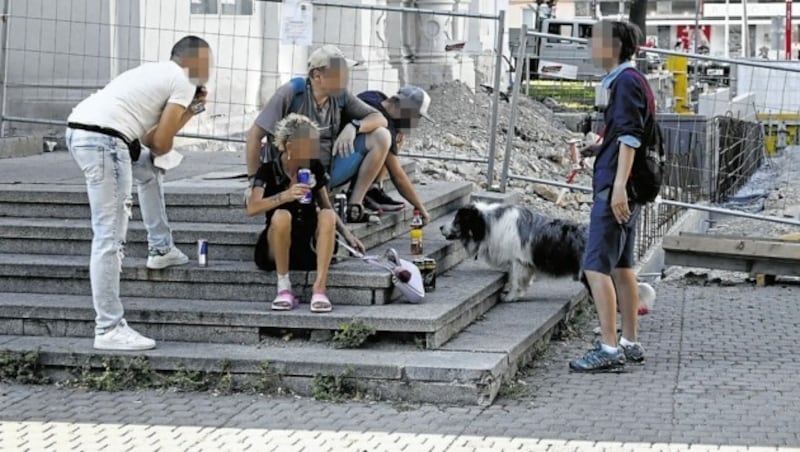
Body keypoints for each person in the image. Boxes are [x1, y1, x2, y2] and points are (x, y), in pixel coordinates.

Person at [66, 36, 212, 351]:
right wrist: (186, 106)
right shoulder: (184, 79)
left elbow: (148, 138)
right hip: (105, 140)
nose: (209, 70)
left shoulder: (155, 73)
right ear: (193, 61)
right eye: (207, 62)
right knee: (109, 235)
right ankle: (108, 327)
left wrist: (190, 110)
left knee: (148, 169)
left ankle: (161, 248)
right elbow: (161, 143)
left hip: (83, 131)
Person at [570, 20, 653, 372]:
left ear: (615, 46)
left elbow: (632, 135)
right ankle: (629, 341)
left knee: (594, 266)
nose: (591, 50)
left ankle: (607, 348)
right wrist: (597, 147)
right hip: (629, 185)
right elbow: (624, 132)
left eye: (596, 43)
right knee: (622, 267)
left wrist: (618, 185)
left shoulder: (624, 83)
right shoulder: (633, 80)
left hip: (618, 187)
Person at [245, 45, 391, 223]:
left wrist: (355, 126)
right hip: (292, 176)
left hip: (327, 170)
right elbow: (254, 135)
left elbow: (380, 118)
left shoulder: (340, 95)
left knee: (382, 136)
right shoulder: (292, 92)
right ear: (317, 76)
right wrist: (253, 181)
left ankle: (355, 205)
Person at [246, 113, 365, 313]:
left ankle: (319, 287)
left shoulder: (314, 167)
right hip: (276, 246)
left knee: (325, 215)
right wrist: (285, 196)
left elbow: (326, 206)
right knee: (281, 215)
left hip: (308, 243)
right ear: (290, 146)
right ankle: (283, 287)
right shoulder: (268, 170)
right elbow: (252, 208)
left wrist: (348, 235)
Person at [347, 86, 433, 223]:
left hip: (347, 151)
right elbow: (398, 176)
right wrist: (420, 207)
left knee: (396, 138)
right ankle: (356, 201)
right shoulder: (383, 123)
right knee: (385, 138)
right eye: (415, 116)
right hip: (341, 160)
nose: (415, 122)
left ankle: (371, 191)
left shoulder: (376, 96)